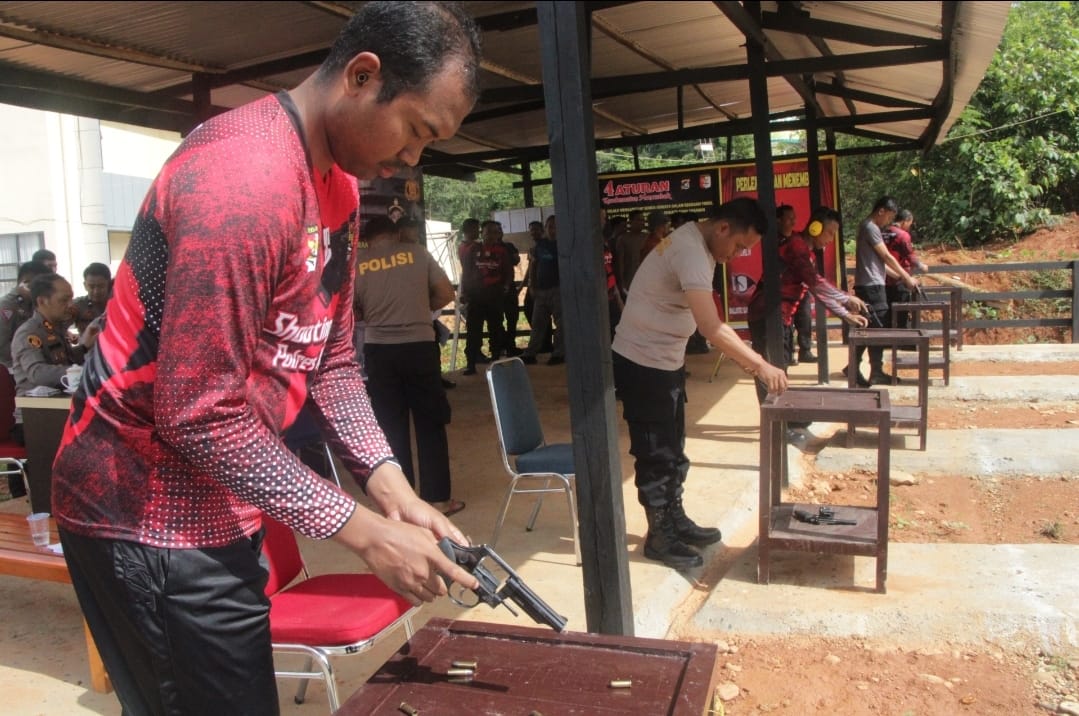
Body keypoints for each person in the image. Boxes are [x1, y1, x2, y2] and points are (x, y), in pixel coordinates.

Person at [50, 4, 483, 714]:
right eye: (415, 130)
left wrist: (393, 489)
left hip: (224, 504)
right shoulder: (242, 178)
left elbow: (333, 364)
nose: (411, 159)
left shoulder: (338, 190)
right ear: (361, 75)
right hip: (143, 512)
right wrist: (366, 533)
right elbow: (199, 414)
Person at [612, 198, 788, 570]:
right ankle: (659, 537)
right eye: (740, 246)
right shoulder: (690, 250)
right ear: (723, 227)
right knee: (656, 451)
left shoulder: (699, 245)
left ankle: (675, 520)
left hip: (665, 362)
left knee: (674, 448)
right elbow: (711, 327)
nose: (738, 255)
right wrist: (758, 364)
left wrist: (742, 356)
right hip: (643, 363)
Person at [355, 215, 464, 517]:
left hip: (379, 351)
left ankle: (402, 504)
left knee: (391, 426)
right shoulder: (417, 253)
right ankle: (438, 499)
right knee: (430, 422)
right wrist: (417, 306)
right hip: (418, 347)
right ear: (395, 233)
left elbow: (352, 310)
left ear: (369, 238)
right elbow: (445, 293)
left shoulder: (359, 262)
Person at [747, 207, 869, 405]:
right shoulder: (796, 246)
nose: (831, 239)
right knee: (768, 371)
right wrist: (846, 299)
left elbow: (815, 289)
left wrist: (845, 314)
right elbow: (815, 283)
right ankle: (774, 422)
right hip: (768, 315)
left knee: (780, 368)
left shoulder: (804, 251)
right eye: (830, 232)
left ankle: (780, 417)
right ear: (815, 227)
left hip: (780, 316)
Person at [847, 196, 920, 386]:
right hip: (871, 286)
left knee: (869, 327)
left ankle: (854, 367)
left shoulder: (872, 228)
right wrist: (905, 277)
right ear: (881, 211)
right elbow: (886, 256)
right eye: (888, 216)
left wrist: (899, 276)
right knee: (876, 328)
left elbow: (879, 262)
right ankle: (874, 371)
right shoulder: (870, 227)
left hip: (872, 283)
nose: (888, 221)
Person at [460, 219, 513, 375]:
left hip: (494, 294)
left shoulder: (502, 251)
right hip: (476, 296)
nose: (491, 235)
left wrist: (506, 286)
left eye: (494, 232)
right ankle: (471, 363)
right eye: (487, 232)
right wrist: (464, 292)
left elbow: (508, 271)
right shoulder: (472, 249)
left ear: (498, 234)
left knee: (496, 328)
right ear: (482, 233)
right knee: (473, 330)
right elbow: (466, 272)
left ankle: (495, 360)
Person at [520, 214, 564, 366]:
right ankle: (531, 352)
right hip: (541, 290)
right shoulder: (540, 246)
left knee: (561, 323)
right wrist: (532, 286)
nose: (553, 230)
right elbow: (533, 266)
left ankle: (558, 353)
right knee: (537, 323)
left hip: (558, 289)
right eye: (550, 227)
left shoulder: (565, 245)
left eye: (556, 227)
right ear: (545, 229)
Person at [0, 260, 51, 370]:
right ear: (26, 282)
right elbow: (2, 346)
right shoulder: (7, 306)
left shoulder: (33, 303)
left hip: (32, 363)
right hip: (10, 369)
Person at [884, 209, 928, 329]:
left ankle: (887, 340)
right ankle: (901, 340)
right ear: (905, 221)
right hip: (900, 279)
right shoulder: (903, 235)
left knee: (887, 311)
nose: (910, 226)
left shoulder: (884, 232)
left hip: (884, 278)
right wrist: (921, 266)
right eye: (910, 223)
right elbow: (910, 256)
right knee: (901, 311)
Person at [71, 262, 112, 334]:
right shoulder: (77, 306)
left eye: (101, 286)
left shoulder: (119, 304)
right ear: (85, 285)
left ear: (109, 284)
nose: (96, 291)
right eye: (91, 287)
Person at [614, 209, 647, 297]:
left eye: (643, 220)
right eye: (639, 220)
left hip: (647, 281)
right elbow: (620, 264)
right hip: (630, 282)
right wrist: (621, 284)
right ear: (631, 221)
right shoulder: (623, 239)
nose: (642, 222)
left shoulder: (647, 237)